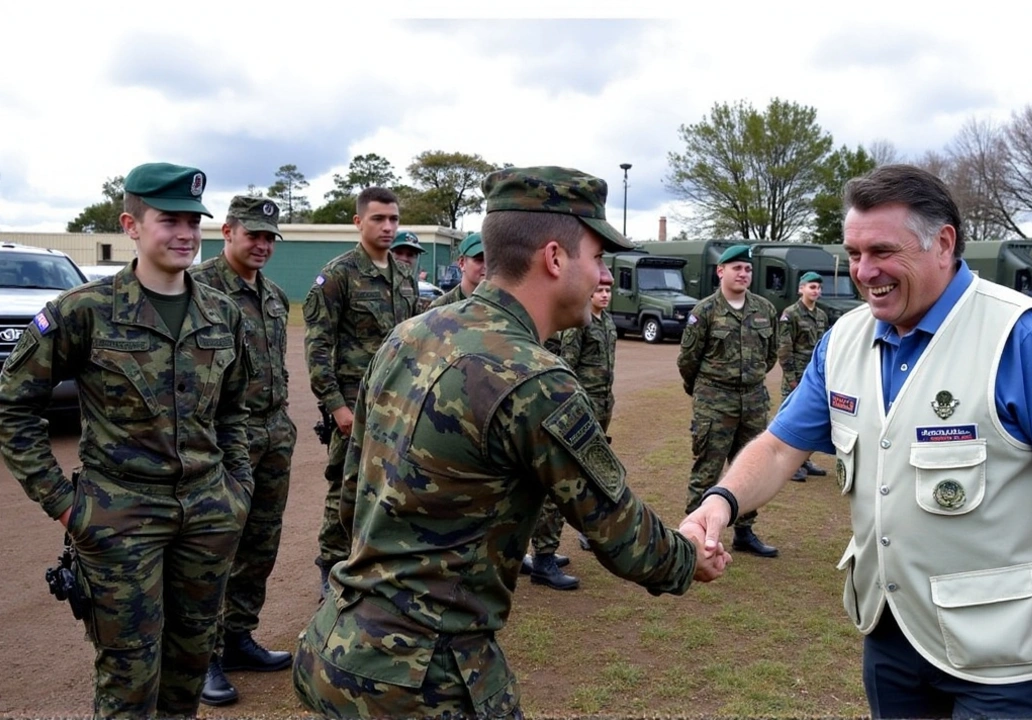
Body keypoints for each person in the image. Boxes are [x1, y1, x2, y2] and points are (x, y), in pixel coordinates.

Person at [683, 164, 1032, 719]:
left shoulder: (1020, 336)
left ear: (943, 243)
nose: (864, 272)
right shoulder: (844, 339)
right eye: (853, 254)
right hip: (893, 636)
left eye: (883, 252)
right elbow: (779, 447)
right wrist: (719, 504)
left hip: (1006, 660)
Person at [291, 166, 728, 718]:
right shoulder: (534, 379)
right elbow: (621, 535)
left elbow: (353, 491)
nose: (600, 274)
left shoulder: (411, 334)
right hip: (426, 679)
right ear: (553, 258)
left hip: (338, 643)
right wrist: (691, 555)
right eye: (596, 257)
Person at [0, 163, 253, 718]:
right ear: (132, 225)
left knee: (188, 672)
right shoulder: (83, 311)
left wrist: (238, 488)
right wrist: (65, 507)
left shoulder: (223, 313)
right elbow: (12, 405)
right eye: (170, 220)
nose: (186, 233)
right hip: (119, 515)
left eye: (194, 221)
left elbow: (237, 409)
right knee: (129, 679)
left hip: (208, 514)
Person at [188, 196, 296, 706]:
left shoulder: (273, 296)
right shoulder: (200, 289)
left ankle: (237, 639)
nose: (262, 245)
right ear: (227, 231)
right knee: (215, 549)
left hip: (273, 435)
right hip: (223, 439)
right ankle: (202, 656)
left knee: (260, 544)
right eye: (253, 234)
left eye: (270, 237)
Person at [303, 187, 419, 594]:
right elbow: (317, 348)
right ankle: (331, 569)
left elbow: (413, 340)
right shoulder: (338, 275)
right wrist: (336, 407)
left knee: (391, 485)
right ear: (358, 222)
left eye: (393, 219)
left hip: (398, 403)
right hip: (353, 406)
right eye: (378, 219)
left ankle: (377, 565)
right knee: (345, 487)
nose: (388, 227)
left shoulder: (405, 275)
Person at [678, 243, 781, 558]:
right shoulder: (705, 312)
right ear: (720, 271)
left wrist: (748, 380)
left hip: (752, 400)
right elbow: (688, 360)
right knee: (707, 468)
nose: (744, 273)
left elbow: (771, 354)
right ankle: (693, 537)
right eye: (737, 268)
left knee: (749, 469)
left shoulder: (765, 309)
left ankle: (745, 532)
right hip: (714, 401)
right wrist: (705, 391)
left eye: (748, 269)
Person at [524, 282, 619, 580]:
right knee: (561, 483)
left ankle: (584, 536)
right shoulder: (580, 325)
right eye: (599, 289)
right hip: (579, 411)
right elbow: (567, 368)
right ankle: (543, 556)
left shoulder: (607, 322)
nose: (604, 294)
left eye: (609, 290)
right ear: (588, 292)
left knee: (592, 477)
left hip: (602, 409)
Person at [778, 271, 829, 482]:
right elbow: (784, 349)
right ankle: (789, 465)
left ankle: (804, 460)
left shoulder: (821, 316)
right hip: (797, 375)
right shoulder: (790, 314)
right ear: (801, 289)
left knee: (812, 419)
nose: (815, 291)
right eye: (811, 287)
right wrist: (791, 378)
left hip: (814, 376)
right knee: (792, 420)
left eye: (818, 287)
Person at [428, 231, 486, 309]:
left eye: (491, 260)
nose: (486, 266)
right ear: (462, 263)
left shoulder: (503, 305)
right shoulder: (440, 308)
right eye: (480, 260)